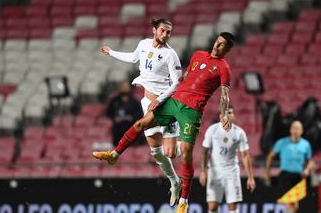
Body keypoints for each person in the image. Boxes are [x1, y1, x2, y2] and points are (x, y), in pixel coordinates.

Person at [93, 32, 236, 213]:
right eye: (217, 42)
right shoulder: (198, 55)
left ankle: (183, 200)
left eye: (222, 45)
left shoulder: (224, 68)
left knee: (185, 154)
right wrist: (164, 94)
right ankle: (114, 155)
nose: (217, 46)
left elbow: (225, 94)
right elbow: (184, 77)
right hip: (173, 102)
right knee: (140, 124)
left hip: (191, 112)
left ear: (228, 49)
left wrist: (223, 114)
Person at [100, 18, 183, 206]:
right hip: (149, 103)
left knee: (165, 149)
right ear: (154, 30)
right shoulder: (144, 44)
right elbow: (133, 57)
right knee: (158, 152)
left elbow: (177, 83)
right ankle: (175, 182)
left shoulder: (171, 55)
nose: (165, 34)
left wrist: (160, 100)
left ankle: (186, 146)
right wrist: (111, 52)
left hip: (166, 104)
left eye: (169, 32)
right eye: (163, 30)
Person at [199, 105, 256, 213]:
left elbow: (245, 155)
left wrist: (250, 177)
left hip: (231, 171)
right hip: (215, 171)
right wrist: (202, 171)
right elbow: (205, 152)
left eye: (231, 113)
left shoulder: (239, 133)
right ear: (221, 116)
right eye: (226, 113)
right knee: (212, 206)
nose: (229, 115)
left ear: (234, 116)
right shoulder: (212, 130)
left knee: (233, 205)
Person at [264, 120, 313, 213]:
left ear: (302, 131)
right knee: (290, 202)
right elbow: (270, 157)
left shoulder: (306, 144)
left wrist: (307, 169)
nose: (296, 130)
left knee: (295, 204)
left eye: (298, 128)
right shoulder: (282, 142)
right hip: (285, 176)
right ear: (290, 130)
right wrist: (267, 173)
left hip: (299, 176)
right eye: (294, 128)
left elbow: (310, 161)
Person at [106, 81, 144, 146]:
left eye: (126, 87)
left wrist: (131, 118)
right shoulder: (114, 101)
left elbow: (139, 115)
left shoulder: (134, 102)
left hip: (131, 131)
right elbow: (109, 112)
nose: (125, 89)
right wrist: (114, 118)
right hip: (118, 132)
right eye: (123, 87)